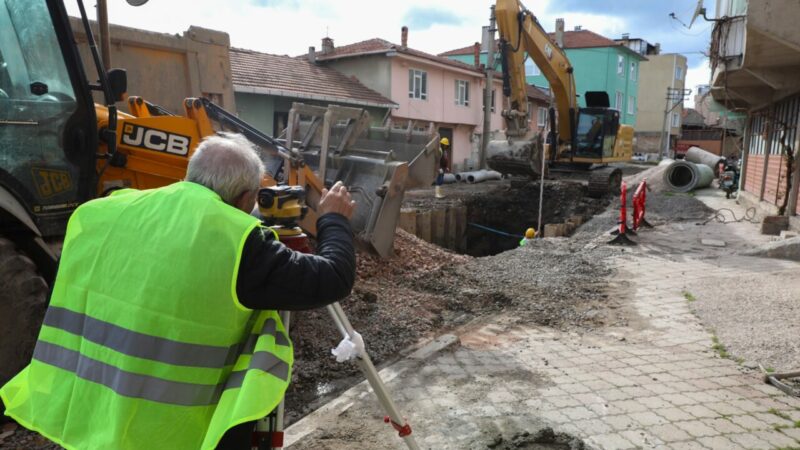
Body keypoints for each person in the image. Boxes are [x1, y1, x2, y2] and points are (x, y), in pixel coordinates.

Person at [0, 133, 357, 450]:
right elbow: (332, 278)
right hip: (171, 435)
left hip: (93, 416)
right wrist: (333, 220)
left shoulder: (100, 214)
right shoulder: (240, 243)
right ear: (247, 197)